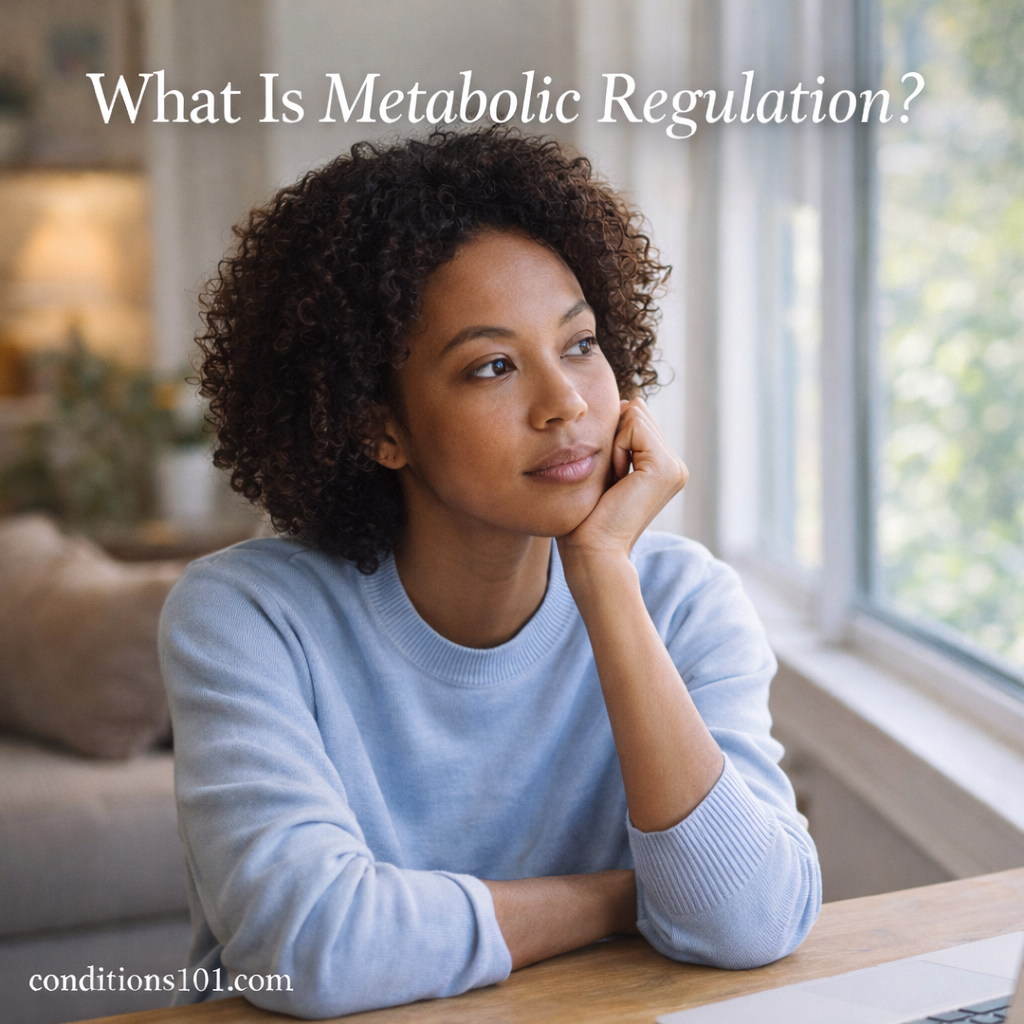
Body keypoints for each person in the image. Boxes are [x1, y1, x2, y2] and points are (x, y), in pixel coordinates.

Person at [159, 128, 821, 1019]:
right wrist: (630, 897)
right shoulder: (246, 616)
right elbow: (313, 945)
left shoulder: (683, 601)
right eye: (493, 366)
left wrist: (604, 577)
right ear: (377, 428)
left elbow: (750, 919)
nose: (566, 404)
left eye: (580, 344)